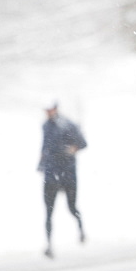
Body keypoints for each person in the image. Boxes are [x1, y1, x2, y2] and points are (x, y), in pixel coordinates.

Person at [37, 102, 87, 259]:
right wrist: (41, 163)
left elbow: (82, 143)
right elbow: (45, 147)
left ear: (56, 108)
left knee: (72, 207)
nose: (48, 112)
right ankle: (49, 245)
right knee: (49, 212)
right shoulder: (46, 126)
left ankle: (81, 230)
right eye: (46, 110)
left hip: (67, 173)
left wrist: (71, 150)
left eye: (50, 109)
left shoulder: (68, 125)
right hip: (51, 173)